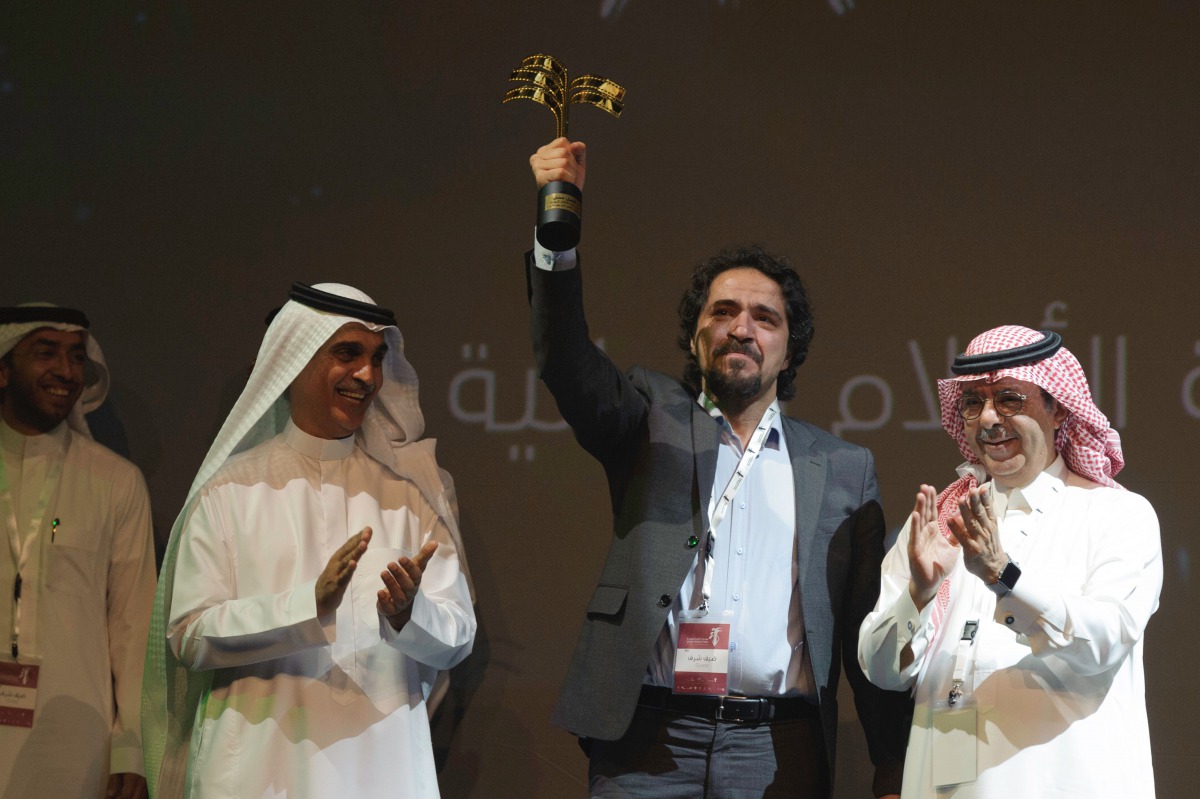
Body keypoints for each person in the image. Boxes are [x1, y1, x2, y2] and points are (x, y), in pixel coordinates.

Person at [526, 138, 910, 798]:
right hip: (648, 738)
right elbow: (565, 360)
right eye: (722, 311)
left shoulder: (844, 468)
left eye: (765, 318)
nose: (741, 327)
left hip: (777, 744)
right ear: (697, 333)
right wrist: (556, 231)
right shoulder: (647, 415)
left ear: (789, 351)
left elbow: (861, 629)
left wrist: (892, 761)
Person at [142, 283, 476, 799]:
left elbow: (458, 638)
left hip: (381, 772)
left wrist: (410, 615)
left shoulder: (408, 499)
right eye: (348, 353)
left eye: (376, 358)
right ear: (294, 360)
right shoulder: (230, 489)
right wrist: (307, 605)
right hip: (257, 773)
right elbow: (188, 633)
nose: (367, 375)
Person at [857, 325, 1162, 797]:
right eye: (973, 403)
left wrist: (1005, 577)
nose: (988, 419)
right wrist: (916, 595)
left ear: (1058, 407)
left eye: (1009, 399)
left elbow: (1104, 640)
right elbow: (882, 673)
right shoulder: (939, 522)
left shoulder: (1117, 514)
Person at [0, 304, 156, 799]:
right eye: (46, 353)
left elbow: (135, 626)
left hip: (74, 742)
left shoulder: (116, 482)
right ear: (2, 368)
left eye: (75, 356)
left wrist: (131, 745)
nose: (66, 371)